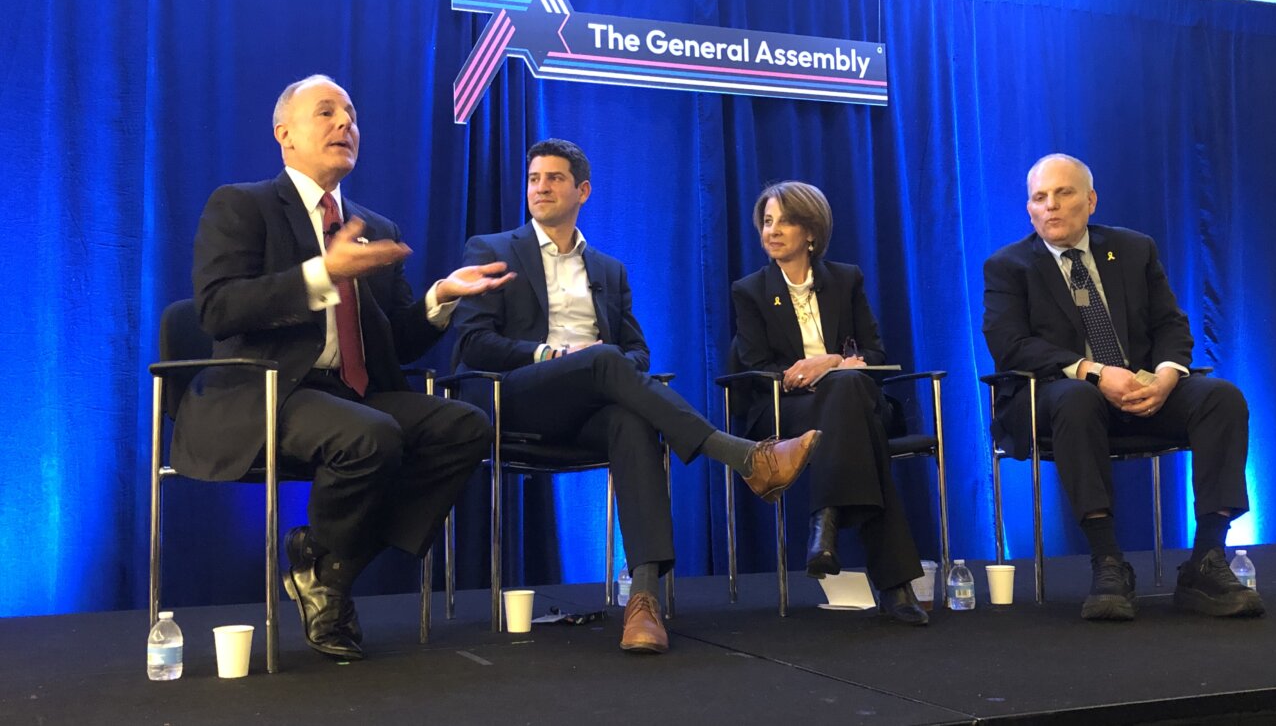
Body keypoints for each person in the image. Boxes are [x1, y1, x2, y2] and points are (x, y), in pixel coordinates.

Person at [173, 74, 516, 660]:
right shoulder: (243, 205)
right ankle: (329, 578)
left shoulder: (376, 229)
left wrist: (441, 297)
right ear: (285, 134)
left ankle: (326, 565)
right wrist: (320, 274)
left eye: (352, 115)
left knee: (466, 426)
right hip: (270, 391)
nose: (345, 124)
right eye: (326, 112)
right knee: (372, 434)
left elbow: (397, 346)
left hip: (354, 394)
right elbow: (217, 307)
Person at [454, 139, 823, 654]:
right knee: (603, 360)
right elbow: (473, 345)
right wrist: (552, 353)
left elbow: (638, 353)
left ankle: (643, 600)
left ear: (582, 190)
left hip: (592, 406)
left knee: (631, 418)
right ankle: (743, 456)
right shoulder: (491, 250)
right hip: (520, 398)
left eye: (555, 178)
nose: (541, 187)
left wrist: (604, 365)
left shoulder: (608, 270)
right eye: (535, 178)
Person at [982, 153, 1262, 621]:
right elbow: (1011, 346)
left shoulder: (1132, 249)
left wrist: (1170, 374)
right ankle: (1107, 560)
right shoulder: (1009, 266)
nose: (1050, 205)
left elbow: (1171, 324)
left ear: (1090, 201)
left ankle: (1207, 560)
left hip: (1142, 389)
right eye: (1039, 197)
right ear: (1029, 209)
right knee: (1077, 399)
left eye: (1063, 193)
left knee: (1222, 398)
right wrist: (1092, 371)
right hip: (1056, 395)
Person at [730, 181, 928, 626]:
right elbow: (756, 365)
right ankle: (894, 586)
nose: (772, 230)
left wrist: (833, 361)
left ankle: (827, 519)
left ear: (812, 233)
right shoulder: (751, 290)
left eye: (785, 220)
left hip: (851, 399)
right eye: (767, 221)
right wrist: (810, 374)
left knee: (847, 388)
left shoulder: (846, 279)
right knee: (858, 420)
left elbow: (875, 353)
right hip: (787, 409)